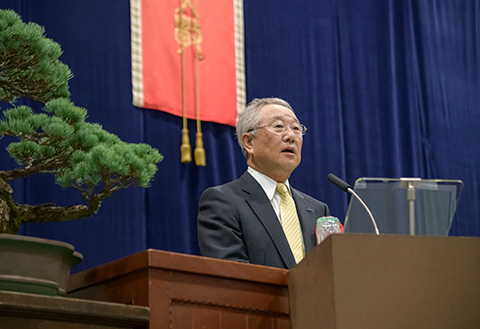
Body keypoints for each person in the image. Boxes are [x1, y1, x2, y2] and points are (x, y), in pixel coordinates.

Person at [197, 97, 330, 269]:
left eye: (296, 128)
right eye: (278, 127)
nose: (291, 136)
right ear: (249, 142)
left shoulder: (318, 210)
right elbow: (231, 275)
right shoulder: (222, 202)